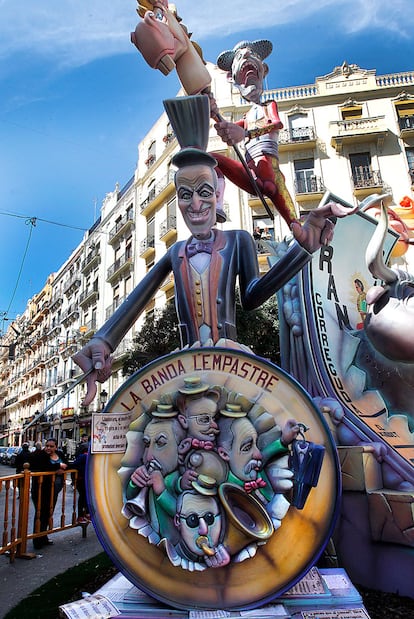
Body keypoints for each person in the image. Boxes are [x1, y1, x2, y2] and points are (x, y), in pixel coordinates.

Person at [72, 95, 356, 406]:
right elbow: (136, 298)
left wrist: (301, 250)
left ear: (217, 195)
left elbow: (252, 296)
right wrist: (103, 339)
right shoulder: (175, 252)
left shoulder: (238, 240)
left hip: (233, 367)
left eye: (204, 192)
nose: (195, 204)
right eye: (185, 194)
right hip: (185, 370)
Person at [209, 39, 297, 227]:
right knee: (212, 159)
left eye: (252, 55)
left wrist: (246, 134)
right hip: (251, 174)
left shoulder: (268, 106)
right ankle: (217, 204)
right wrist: (214, 112)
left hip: (269, 171)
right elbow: (228, 128)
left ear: (263, 70)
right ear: (233, 79)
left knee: (295, 224)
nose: (246, 56)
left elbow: (277, 124)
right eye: (240, 57)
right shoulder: (247, 117)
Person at [29, 437, 68, 549]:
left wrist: (63, 468)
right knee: (40, 513)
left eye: (51, 446)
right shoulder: (40, 455)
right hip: (40, 489)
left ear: (56, 447)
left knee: (48, 513)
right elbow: (42, 467)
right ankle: (37, 540)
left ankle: (44, 536)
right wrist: (58, 467)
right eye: (47, 446)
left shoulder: (60, 454)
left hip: (53, 490)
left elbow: (67, 464)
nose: (49, 448)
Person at [72, 442, 89, 523]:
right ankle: (82, 515)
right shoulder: (84, 456)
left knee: (84, 497)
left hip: (83, 479)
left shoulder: (84, 456)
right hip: (83, 480)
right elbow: (74, 465)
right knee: (84, 497)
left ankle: (84, 515)